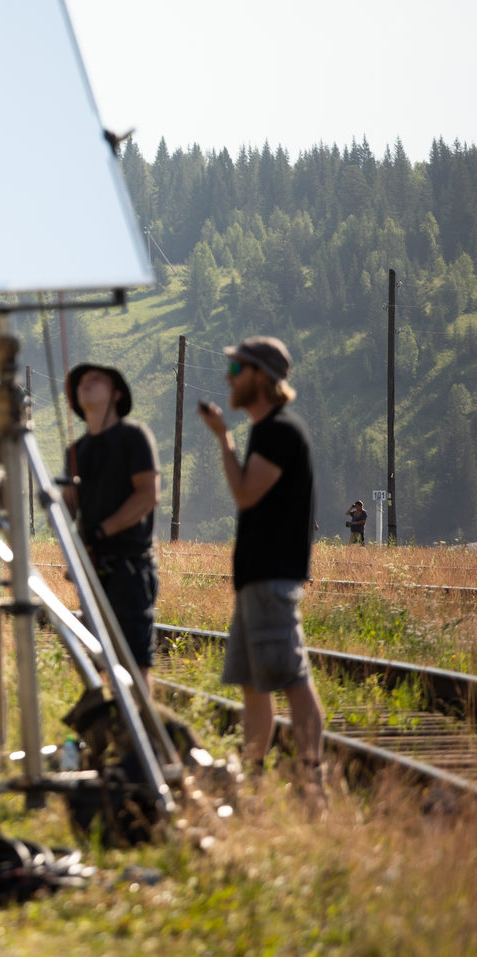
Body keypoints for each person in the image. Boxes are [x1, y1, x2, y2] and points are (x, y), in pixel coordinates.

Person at [198, 335, 326, 793]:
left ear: (261, 378)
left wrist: (223, 439)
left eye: (237, 370)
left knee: (292, 679)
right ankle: (251, 781)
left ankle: (312, 783)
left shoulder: (278, 431)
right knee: (254, 685)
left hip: (272, 578)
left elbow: (245, 492)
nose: (229, 379)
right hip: (257, 579)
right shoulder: (268, 430)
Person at [62, 363, 161, 695]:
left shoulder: (133, 437)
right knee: (98, 660)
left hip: (129, 565)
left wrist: (102, 531)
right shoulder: (76, 451)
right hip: (92, 569)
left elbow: (147, 495)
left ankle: (143, 739)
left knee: (134, 662)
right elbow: (69, 506)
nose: (86, 384)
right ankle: (115, 735)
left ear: (116, 394)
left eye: (96, 380)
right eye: (81, 383)